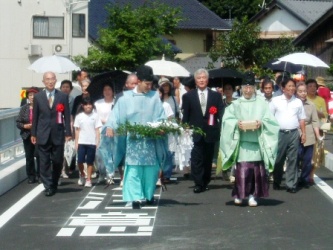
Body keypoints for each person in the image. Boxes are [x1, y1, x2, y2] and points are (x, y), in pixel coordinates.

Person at [105, 65, 166, 209]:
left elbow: (161, 116)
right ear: (138, 81)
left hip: (150, 140)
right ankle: (135, 197)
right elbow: (115, 115)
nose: (149, 86)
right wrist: (110, 126)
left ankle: (149, 195)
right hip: (133, 140)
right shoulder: (125, 98)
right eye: (147, 83)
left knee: (150, 171)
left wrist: (162, 127)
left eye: (151, 84)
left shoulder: (154, 97)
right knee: (133, 169)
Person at [220, 72, 279, 206]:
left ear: (254, 88)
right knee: (242, 171)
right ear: (241, 88)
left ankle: (252, 195)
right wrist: (236, 123)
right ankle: (239, 195)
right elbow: (227, 120)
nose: (247, 90)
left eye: (250, 87)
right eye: (245, 87)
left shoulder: (262, 103)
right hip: (242, 142)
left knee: (255, 173)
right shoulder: (236, 104)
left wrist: (261, 123)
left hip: (257, 142)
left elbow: (271, 120)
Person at [182, 68, 224, 193]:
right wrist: (185, 128)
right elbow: (186, 115)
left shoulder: (216, 96)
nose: (201, 80)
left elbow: (220, 113)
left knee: (208, 158)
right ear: (195, 80)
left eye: (203, 78)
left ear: (207, 79)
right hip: (195, 131)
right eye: (199, 78)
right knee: (196, 158)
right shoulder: (188, 96)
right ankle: (198, 182)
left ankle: (206, 180)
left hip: (211, 131)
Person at [31, 72, 72, 197]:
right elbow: (36, 117)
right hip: (42, 134)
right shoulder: (38, 97)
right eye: (47, 79)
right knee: (43, 162)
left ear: (56, 81)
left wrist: (68, 132)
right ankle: (48, 185)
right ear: (43, 81)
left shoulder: (62, 96)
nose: (50, 81)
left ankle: (54, 182)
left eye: (52, 79)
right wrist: (33, 133)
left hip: (58, 133)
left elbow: (67, 116)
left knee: (57, 161)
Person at [270, 77, 306, 193]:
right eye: (289, 86)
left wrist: (303, 133)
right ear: (282, 88)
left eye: (293, 86)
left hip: (293, 133)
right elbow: (269, 118)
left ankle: (291, 184)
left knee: (293, 159)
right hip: (280, 134)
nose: (291, 88)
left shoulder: (298, 102)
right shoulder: (275, 100)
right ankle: (277, 180)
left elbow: (301, 119)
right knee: (278, 160)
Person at [295, 82, 322, 188]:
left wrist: (318, 136)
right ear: (296, 92)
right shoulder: (293, 104)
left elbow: (315, 121)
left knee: (307, 159)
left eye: (304, 91)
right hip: (296, 132)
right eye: (300, 91)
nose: (303, 93)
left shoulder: (311, 105)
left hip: (309, 133)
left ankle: (304, 178)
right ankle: (295, 178)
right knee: (296, 157)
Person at [74, 97, 102, 188]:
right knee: (80, 161)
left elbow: (97, 129)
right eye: (86, 105)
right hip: (81, 142)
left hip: (92, 142)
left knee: (90, 161)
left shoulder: (95, 116)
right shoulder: (79, 116)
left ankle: (88, 179)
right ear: (83, 106)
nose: (88, 106)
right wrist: (76, 142)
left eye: (90, 104)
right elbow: (77, 130)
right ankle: (82, 174)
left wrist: (98, 141)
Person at [16, 87, 40, 184]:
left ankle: (40, 175)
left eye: (34, 95)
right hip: (27, 135)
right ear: (28, 97)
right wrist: (24, 126)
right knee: (29, 156)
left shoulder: (41, 107)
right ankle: (31, 176)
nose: (32, 97)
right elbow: (18, 122)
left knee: (39, 155)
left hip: (39, 135)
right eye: (30, 95)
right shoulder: (24, 108)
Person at [94, 83, 115, 183]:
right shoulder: (98, 103)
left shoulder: (116, 103)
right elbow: (95, 117)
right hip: (100, 130)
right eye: (105, 90)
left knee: (111, 154)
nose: (107, 92)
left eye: (109, 89)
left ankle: (110, 174)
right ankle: (101, 173)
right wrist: (103, 121)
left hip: (112, 131)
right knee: (99, 154)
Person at [59, 80, 75, 179]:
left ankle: (65, 169)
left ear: (71, 89)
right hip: (58, 126)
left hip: (69, 125)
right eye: (63, 87)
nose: (65, 88)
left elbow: (72, 114)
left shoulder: (72, 99)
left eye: (67, 87)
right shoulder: (57, 98)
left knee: (67, 150)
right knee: (59, 150)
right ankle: (61, 170)